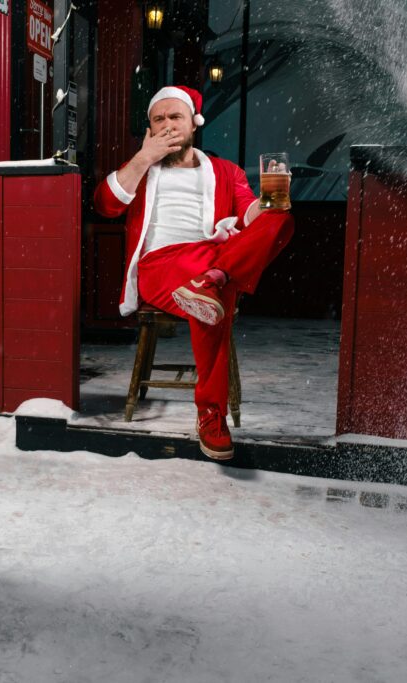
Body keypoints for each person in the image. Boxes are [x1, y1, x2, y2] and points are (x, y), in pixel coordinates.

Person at [93, 85, 294, 461]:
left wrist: (270, 202)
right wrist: (142, 157)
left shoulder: (226, 171)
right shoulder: (142, 169)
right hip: (161, 266)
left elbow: (249, 215)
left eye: (175, 117)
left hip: (214, 257)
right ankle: (211, 414)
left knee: (281, 219)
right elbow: (105, 205)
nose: (167, 124)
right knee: (216, 290)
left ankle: (213, 280)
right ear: (150, 129)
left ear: (193, 123)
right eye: (159, 119)